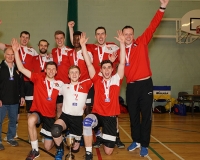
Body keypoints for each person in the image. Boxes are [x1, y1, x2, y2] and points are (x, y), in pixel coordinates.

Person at [123, 0, 169, 157]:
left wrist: (162, 8)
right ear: (122, 36)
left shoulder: (141, 42)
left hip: (145, 85)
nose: (128, 36)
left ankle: (144, 144)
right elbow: (108, 65)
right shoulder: (120, 51)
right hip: (131, 87)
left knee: (146, 116)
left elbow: (153, 25)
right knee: (133, 116)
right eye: (125, 34)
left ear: (133, 35)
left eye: (130, 34)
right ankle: (135, 140)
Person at [68, 21, 125, 149]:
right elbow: (76, 43)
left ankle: (116, 136)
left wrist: (122, 43)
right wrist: (71, 29)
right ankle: (98, 135)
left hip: (110, 84)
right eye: (98, 34)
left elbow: (123, 59)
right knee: (91, 109)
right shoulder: (91, 47)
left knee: (112, 111)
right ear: (95, 36)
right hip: (95, 81)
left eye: (102, 34)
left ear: (106, 35)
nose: (100, 36)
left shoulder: (113, 46)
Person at [11, 38, 63, 160]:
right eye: (48, 69)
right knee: (30, 120)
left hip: (50, 116)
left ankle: (59, 139)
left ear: (56, 71)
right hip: (38, 111)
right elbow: (22, 68)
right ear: (45, 70)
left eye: (53, 69)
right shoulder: (38, 78)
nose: (50, 71)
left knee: (48, 146)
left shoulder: (60, 84)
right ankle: (35, 150)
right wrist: (15, 52)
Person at [80, 31, 126, 159]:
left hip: (110, 118)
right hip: (98, 115)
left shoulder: (117, 79)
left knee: (108, 151)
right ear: (100, 70)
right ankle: (89, 153)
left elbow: (122, 63)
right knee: (87, 122)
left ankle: (105, 136)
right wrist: (83, 45)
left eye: (108, 68)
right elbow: (89, 63)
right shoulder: (96, 80)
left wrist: (122, 43)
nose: (106, 70)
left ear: (112, 69)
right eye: (104, 68)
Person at [0, 19, 38, 138]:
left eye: (27, 37)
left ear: (29, 39)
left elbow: (40, 61)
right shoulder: (12, 48)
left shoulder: (32, 51)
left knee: (30, 109)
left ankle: (30, 133)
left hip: (28, 84)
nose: (24, 39)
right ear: (20, 37)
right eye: (23, 37)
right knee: (16, 110)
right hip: (15, 83)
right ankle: (14, 132)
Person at [51, 65, 92, 160]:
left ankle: (77, 137)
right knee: (55, 130)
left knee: (75, 149)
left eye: (76, 72)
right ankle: (60, 150)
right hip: (65, 116)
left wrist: (89, 102)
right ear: (68, 75)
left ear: (80, 75)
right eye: (72, 72)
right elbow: (51, 90)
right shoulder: (64, 86)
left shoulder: (86, 84)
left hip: (77, 118)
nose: (74, 74)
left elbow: (98, 81)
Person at [0, 47, 25, 150]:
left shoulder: (19, 69)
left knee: (13, 121)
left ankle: (10, 138)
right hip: (1, 102)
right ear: (4, 55)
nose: (10, 56)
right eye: (8, 54)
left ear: (15, 56)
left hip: (14, 101)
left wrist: (22, 96)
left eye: (12, 54)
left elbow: (21, 85)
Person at [66, 28, 93, 115]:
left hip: (86, 84)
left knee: (87, 109)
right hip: (74, 86)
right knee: (74, 108)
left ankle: (90, 129)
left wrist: (83, 45)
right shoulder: (69, 53)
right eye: (75, 39)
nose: (76, 41)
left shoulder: (87, 52)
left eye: (79, 39)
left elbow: (89, 62)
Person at [51, 30, 72, 118]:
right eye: (57, 38)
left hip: (68, 83)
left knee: (69, 108)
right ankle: (60, 129)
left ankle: (69, 129)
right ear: (55, 40)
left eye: (61, 38)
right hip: (57, 84)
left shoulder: (70, 51)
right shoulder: (53, 51)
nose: (59, 40)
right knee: (59, 107)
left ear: (64, 39)